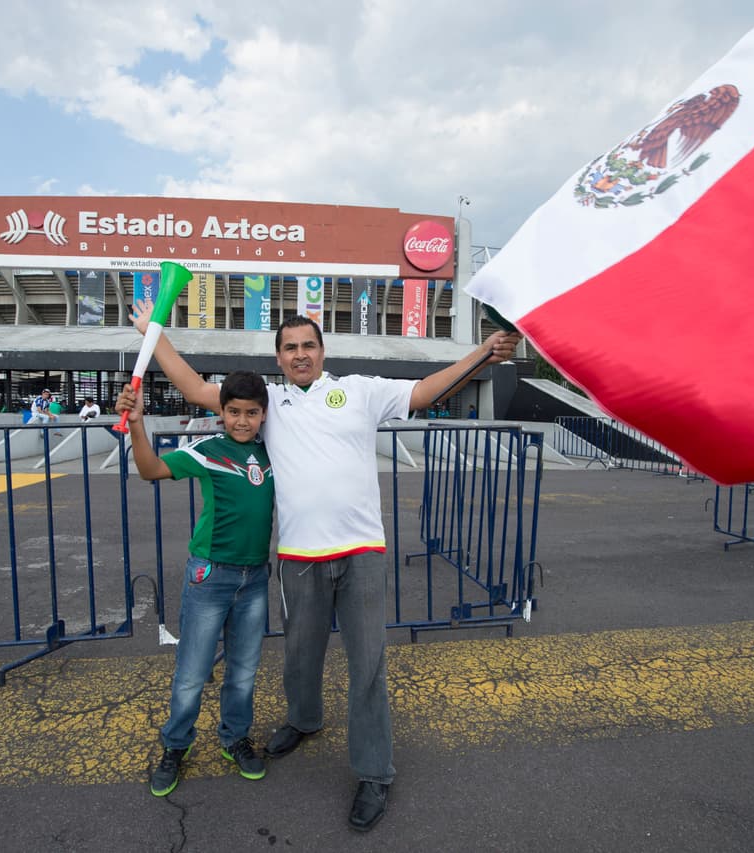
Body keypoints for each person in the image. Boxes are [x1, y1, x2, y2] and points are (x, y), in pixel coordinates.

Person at [130, 300, 521, 831]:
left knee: (367, 667)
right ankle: (304, 720)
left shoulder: (359, 390)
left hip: (360, 552)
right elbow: (199, 388)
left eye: (307, 345)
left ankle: (374, 772)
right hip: (299, 557)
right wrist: (155, 333)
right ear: (278, 357)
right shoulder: (269, 404)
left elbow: (425, 390)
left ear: (322, 350)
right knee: (300, 657)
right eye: (289, 348)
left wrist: (480, 355)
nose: (299, 355)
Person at [118, 371, 275, 798]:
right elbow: (151, 470)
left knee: (243, 671)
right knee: (192, 672)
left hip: (255, 578)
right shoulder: (206, 450)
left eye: (252, 413)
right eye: (234, 412)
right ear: (220, 412)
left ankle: (234, 738)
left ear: (263, 415)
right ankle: (175, 745)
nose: (242, 421)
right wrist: (136, 422)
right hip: (210, 577)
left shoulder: (272, 453)